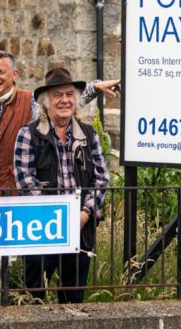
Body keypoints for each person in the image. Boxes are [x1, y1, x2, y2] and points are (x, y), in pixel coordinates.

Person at [0, 51, 119, 195]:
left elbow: (61, 103)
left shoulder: (29, 101)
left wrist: (95, 87)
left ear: (14, 74)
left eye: (1, 72)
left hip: (14, 195)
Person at [13, 69, 110, 303]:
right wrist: (57, 216)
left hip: (79, 231)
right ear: (46, 102)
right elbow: (25, 182)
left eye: (69, 94)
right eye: (57, 95)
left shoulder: (88, 134)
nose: (64, 100)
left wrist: (85, 213)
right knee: (34, 299)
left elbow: (102, 178)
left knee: (73, 300)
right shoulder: (29, 134)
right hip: (41, 231)